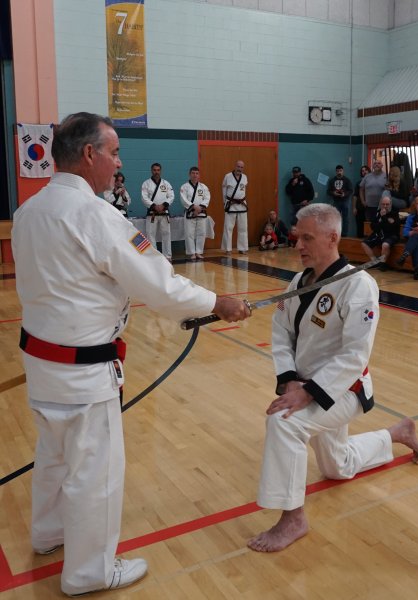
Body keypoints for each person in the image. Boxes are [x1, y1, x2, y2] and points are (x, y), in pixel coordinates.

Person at [11, 112, 251, 597]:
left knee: (54, 455)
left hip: (42, 363)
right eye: (114, 152)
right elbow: (159, 284)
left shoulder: (28, 212)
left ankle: (48, 533)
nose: (119, 162)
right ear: (89, 154)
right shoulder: (97, 216)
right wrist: (216, 302)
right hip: (84, 370)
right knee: (94, 471)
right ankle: (90, 572)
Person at [247, 203, 418, 554]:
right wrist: (289, 380)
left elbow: (355, 355)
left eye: (307, 238)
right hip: (306, 386)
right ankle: (396, 433)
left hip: (343, 390)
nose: (298, 244)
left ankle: (293, 519)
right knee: (337, 467)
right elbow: (281, 330)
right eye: (298, 237)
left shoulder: (359, 285)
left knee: (284, 422)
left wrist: (307, 393)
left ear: (332, 238)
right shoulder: (300, 281)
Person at [141, 163, 174, 261]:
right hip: (152, 213)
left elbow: (171, 196)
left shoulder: (166, 183)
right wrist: (154, 206)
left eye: (158, 170)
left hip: (164, 212)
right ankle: (154, 257)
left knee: (166, 234)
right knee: (150, 234)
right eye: (154, 170)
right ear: (151, 171)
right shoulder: (146, 183)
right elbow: (144, 197)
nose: (156, 172)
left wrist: (164, 205)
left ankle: (167, 255)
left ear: (161, 171)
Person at [179, 166, 211, 260]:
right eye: (193, 173)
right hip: (190, 212)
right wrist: (194, 207)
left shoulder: (203, 187)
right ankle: (192, 253)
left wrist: (200, 208)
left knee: (201, 233)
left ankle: (199, 252)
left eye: (197, 173)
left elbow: (207, 198)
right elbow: (183, 199)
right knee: (189, 233)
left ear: (199, 175)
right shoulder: (184, 187)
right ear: (189, 174)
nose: (195, 175)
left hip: (201, 212)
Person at [361, 195, 400, 270]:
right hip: (379, 234)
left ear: (390, 204)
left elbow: (390, 228)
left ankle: (383, 264)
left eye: (387, 204)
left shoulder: (394, 213)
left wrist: (383, 217)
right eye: (383, 204)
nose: (385, 206)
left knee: (385, 245)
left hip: (391, 235)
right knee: (364, 244)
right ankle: (374, 262)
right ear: (381, 204)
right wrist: (382, 223)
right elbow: (373, 226)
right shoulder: (378, 212)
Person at [221, 160, 249, 254]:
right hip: (231, 204)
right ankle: (227, 249)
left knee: (243, 227)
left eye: (241, 167)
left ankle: (242, 248)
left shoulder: (244, 177)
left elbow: (243, 190)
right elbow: (224, 189)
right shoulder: (228, 176)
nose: (239, 169)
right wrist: (224, 202)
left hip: (242, 204)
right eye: (238, 166)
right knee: (228, 227)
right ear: (235, 166)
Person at [327, 164, 353, 236]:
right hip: (336, 201)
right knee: (335, 218)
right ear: (336, 171)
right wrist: (333, 193)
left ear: (343, 171)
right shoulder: (332, 181)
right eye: (338, 171)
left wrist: (344, 194)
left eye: (340, 171)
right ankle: (335, 234)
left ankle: (344, 235)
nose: (339, 172)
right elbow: (328, 191)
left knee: (345, 219)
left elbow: (351, 190)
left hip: (345, 201)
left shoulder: (347, 180)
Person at [352, 165, 370, 238]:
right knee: (360, 226)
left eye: (366, 170)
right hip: (360, 207)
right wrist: (354, 208)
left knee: (369, 226)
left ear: (369, 171)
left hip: (370, 207)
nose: (364, 172)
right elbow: (355, 196)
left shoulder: (373, 182)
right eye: (362, 171)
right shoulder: (358, 183)